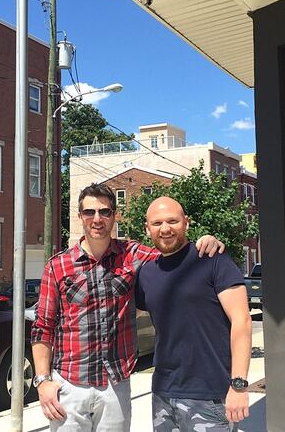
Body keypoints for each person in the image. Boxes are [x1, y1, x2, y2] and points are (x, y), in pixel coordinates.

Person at [31, 183, 224, 431]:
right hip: (69, 385)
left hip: (116, 385)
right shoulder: (57, 266)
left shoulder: (132, 254)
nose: (97, 219)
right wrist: (43, 381)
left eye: (105, 212)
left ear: (114, 215)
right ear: (80, 216)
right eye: (89, 212)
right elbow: (43, 327)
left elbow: (173, 252)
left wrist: (203, 242)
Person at [137, 196, 252, 431]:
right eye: (157, 223)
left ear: (186, 223)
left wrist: (239, 385)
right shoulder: (146, 274)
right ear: (147, 229)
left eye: (173, 221)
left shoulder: (212, 259)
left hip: (209, 396)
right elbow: (129, 314)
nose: (165, 229)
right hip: (163, 394)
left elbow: (242, 320)